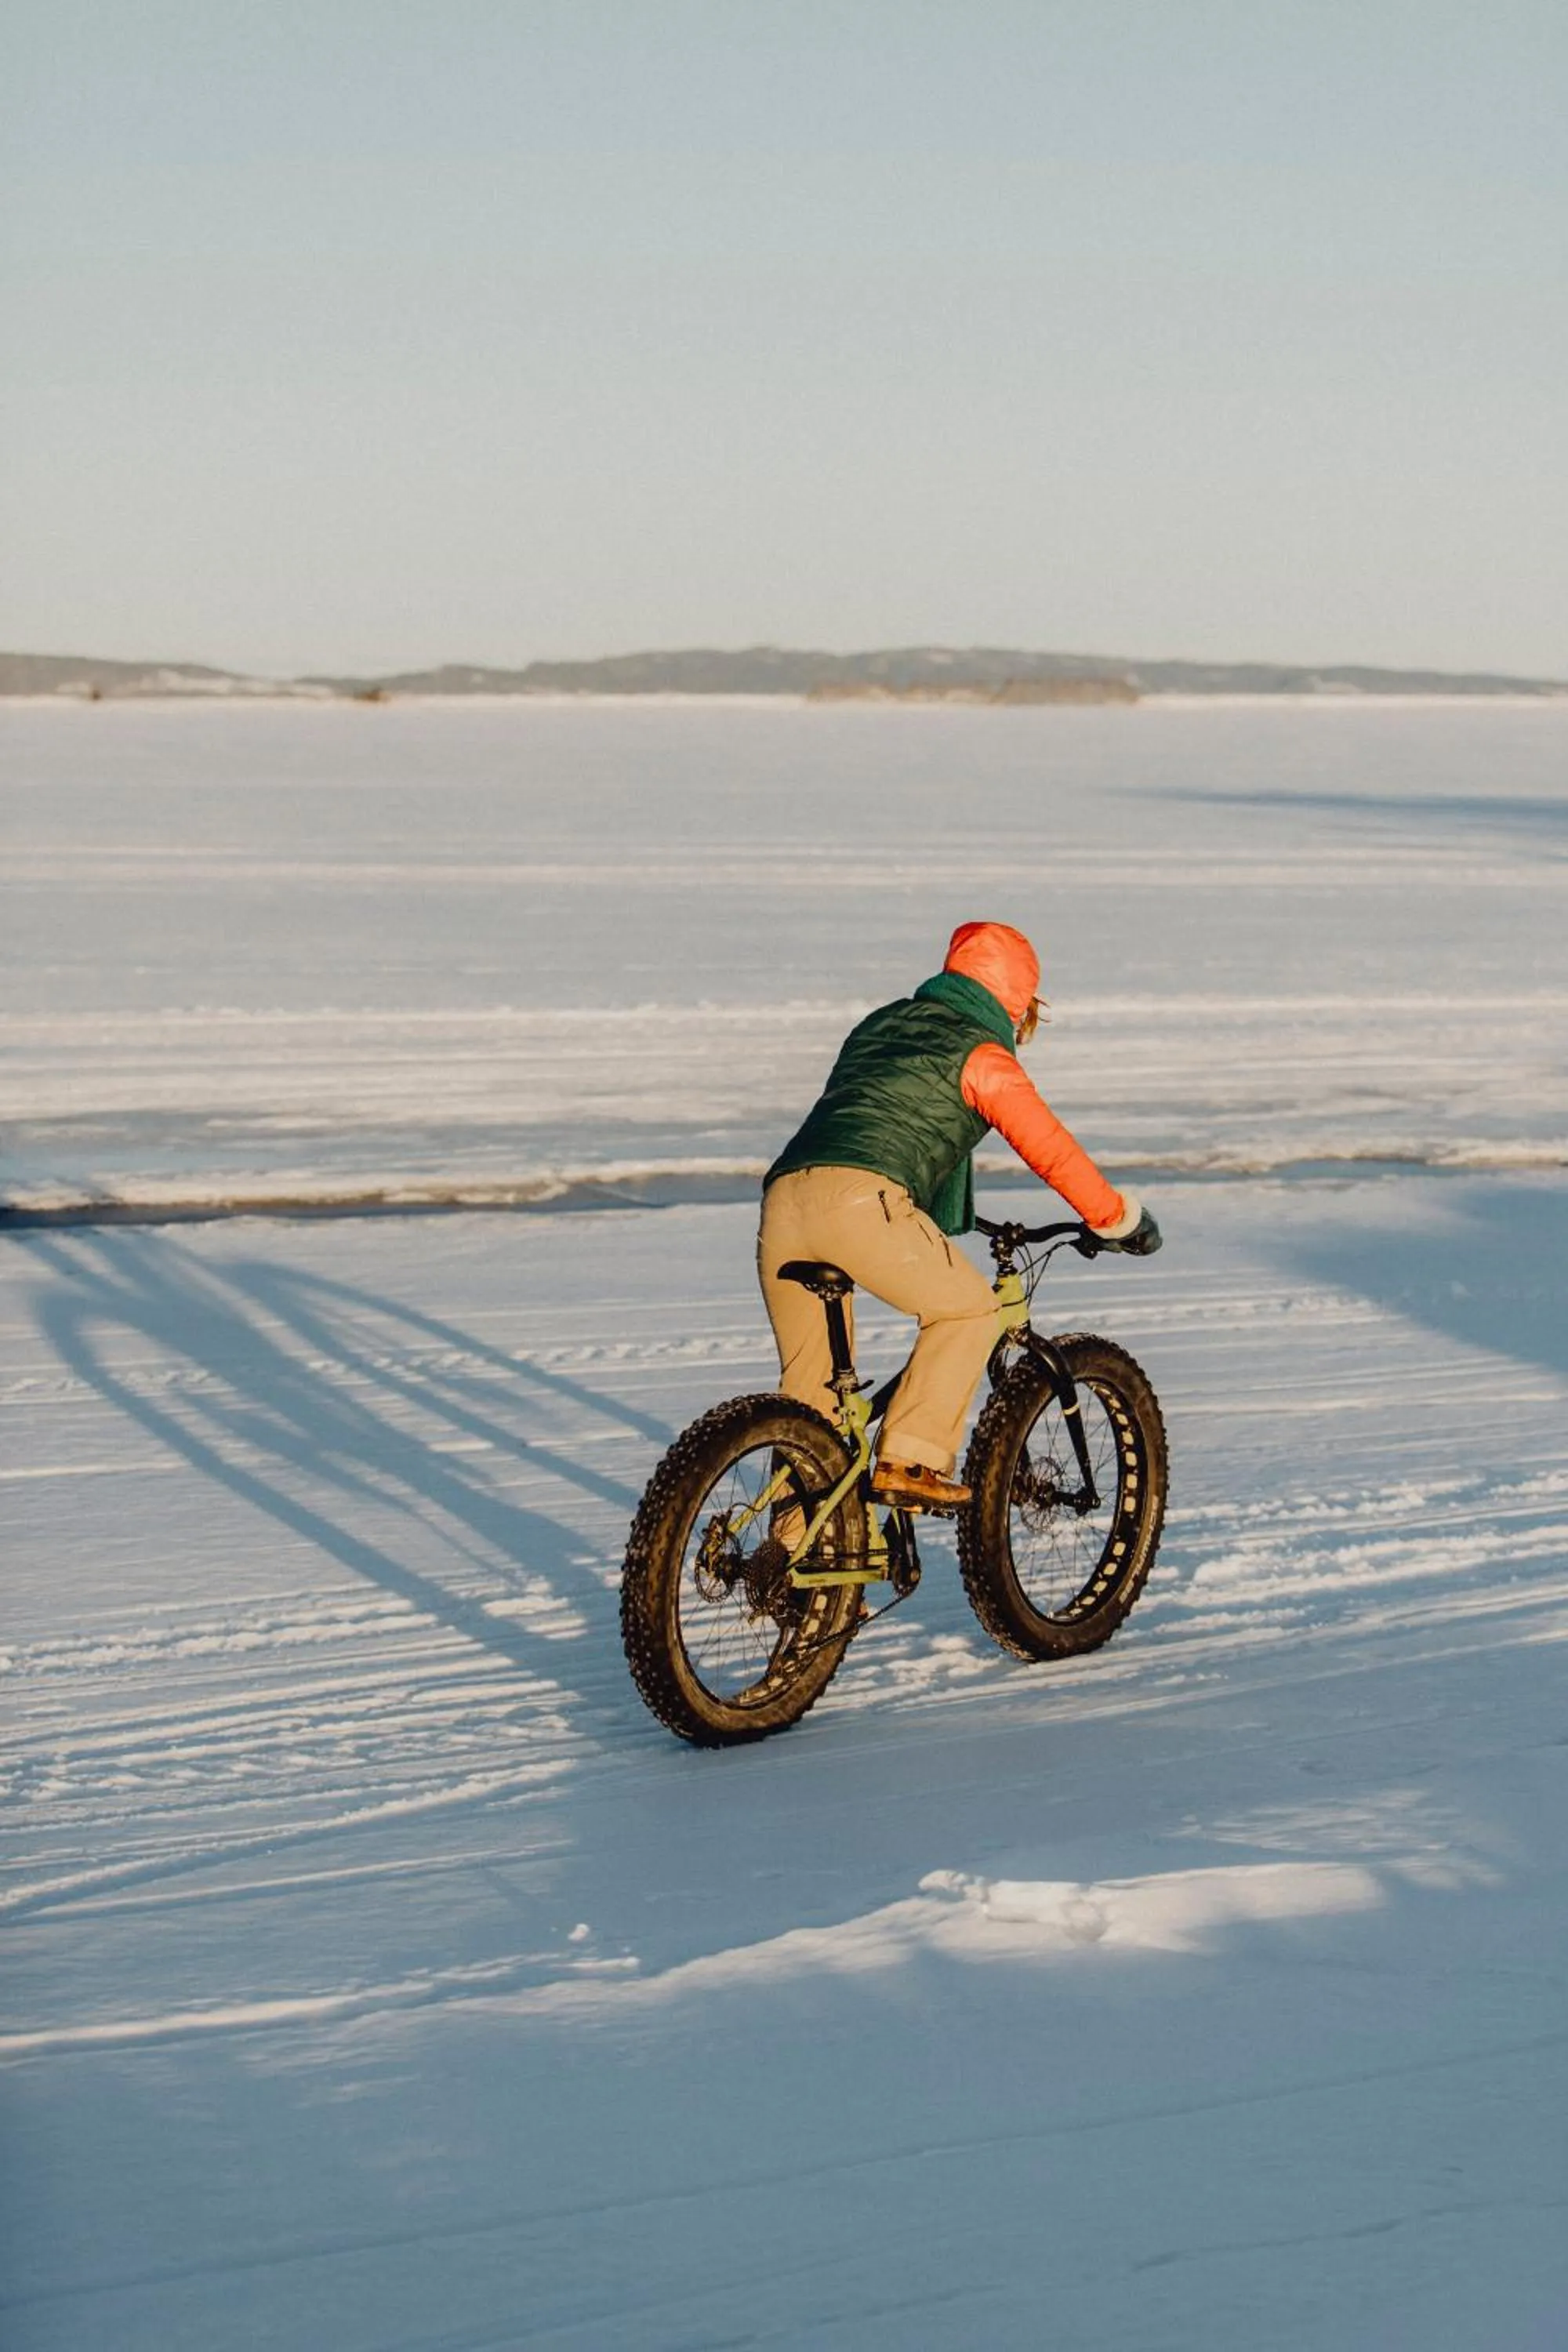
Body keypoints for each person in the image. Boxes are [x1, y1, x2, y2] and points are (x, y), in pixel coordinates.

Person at [758, 920, 1160, 1512]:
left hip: (785, 1197)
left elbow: (878, 1115)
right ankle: (912, 1458)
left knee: (811, 1398)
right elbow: (1051, 1151)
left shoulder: (878, 1025)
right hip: (860, 1200)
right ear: (1017, 1002)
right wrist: (1119, 1218)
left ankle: (802, 1569)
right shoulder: (984, 1056)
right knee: (970, 1310)